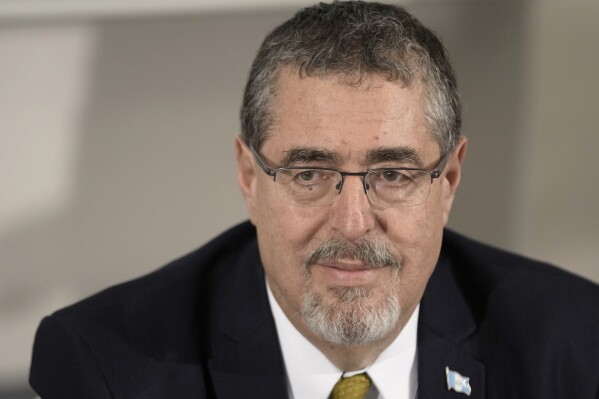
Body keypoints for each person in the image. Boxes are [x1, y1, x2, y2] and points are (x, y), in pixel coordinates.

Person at [30, 1, 599, 398]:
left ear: (447, 180)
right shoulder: (105, 367)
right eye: (308, 173)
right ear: (250, 178)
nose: (352, 223)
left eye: (394, 174)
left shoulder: (573, 345)